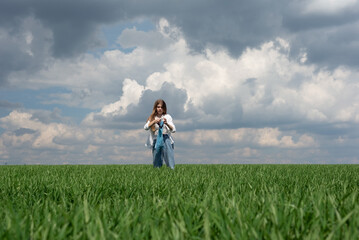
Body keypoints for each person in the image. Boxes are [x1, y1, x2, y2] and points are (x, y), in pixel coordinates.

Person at [144, 99, 176, 169]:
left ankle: (172, 172)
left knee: (169, 158)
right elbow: (146, 127)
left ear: (164, 108)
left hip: (166, 138)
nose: (160, 109)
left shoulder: (167, 116)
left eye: (161, 107)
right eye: (158, 107)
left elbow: (173, 129)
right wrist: (154, 121)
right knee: (156, 160)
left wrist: (166, 123)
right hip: (156, 139)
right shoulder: (152, 117)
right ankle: (158, 174)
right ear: (155, 108)